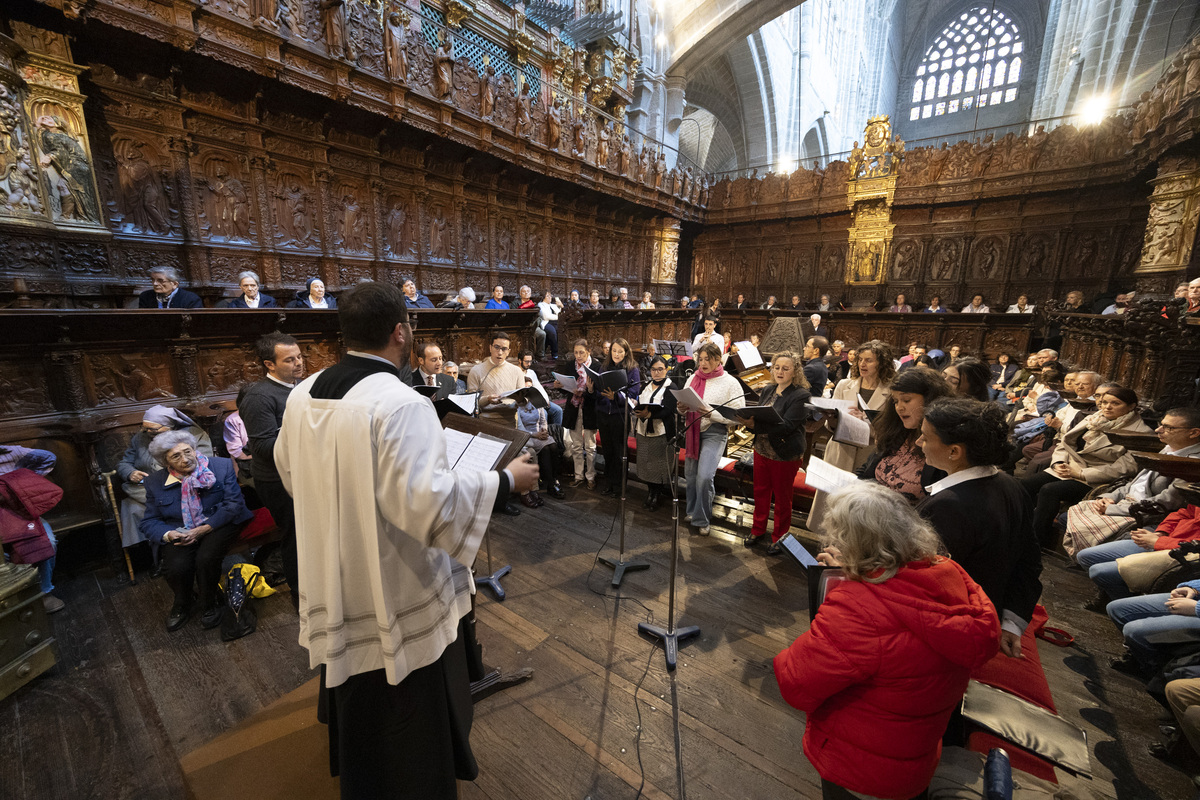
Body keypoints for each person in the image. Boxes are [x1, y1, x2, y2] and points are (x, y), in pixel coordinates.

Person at [273, 282, 538, 798]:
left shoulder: (304, 394)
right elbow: (430, 506)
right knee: (403, 712)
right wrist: (505, 481)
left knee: (357, 691)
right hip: (390, 579)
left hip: (334, 565)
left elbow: (289, 471)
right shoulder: (400, 402)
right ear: (401, 331)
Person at [774, 483, 1000, 800]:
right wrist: (855, 570)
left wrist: (842, 589)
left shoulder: (857, 609)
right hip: (914, 756)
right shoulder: (949, 572)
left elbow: (794, 682)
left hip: (860, 768)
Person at [916, 398, 1043, 658]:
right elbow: (1029, 564)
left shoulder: (949, 506)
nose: (919, 443)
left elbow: (923, 583)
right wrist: (1011, 623)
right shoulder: (1011, 485)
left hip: (950, 628)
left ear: (954, 452)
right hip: (987, 612)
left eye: (926, 438)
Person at [141, 431, 252, 631]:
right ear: (165, 462)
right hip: (181, 529)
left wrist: (202, 530)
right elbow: (150, 520)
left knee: (206, 558)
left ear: (194, 449)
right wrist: (170, 534)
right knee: (175, 565)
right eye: (176, 456)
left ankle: (210, 603)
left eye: (187, 451)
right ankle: (182, 602)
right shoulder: (155, 482)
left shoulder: (220, 466)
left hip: (220, 521)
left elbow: (233, 504)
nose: (185, 459)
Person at [1021, 386, 1153, 548]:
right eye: (1104, 402)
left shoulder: (1141, 433)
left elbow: (1126, 467)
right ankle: (1020, 527)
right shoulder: (1093, 418)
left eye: (1115, 403)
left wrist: (1082, 473)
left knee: (1050, 490)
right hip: (1069, 469)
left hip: (1097, 479)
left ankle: (1037, 541)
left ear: (1131, 406)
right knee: (1024, 485)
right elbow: (1065, 444)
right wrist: (1058, 463)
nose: (1106, 407)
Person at [1067, 407, 1200, 564]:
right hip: (1127, 502)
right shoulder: (1168, 447)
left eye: (1169, 427)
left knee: (1084, 531)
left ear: (1194, 433)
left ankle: (1087, 561)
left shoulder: (1193, 463)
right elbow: (1134, 482)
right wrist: (1109, 498)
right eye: (1161, 424)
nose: (1158, 430)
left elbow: (1166, 501)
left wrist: (1112, 509)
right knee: (1075, 510)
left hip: (1144, 511)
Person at [237, 332, 304, 607]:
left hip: (302, 473)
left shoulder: (300, 387)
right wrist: (306, 433)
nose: (298, 363)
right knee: (295, 537)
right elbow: (263, 447)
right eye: (289, 360)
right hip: (276, 480)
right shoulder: (259, 397)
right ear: (269, 364)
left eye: (299, 356)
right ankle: (301, 596)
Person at [116, 405, 214, 569]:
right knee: (132, 508)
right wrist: (130, 473)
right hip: (144, 489)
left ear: (171, 425)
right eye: (144, 428)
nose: (146, 432)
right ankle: (151, 559)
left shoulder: (194, 435)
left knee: (165, 512)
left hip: (183, 487)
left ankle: (175, 551)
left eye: (153, 429)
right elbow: (124, 463)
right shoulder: (140, 438)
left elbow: (204, 464)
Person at [739, 352, 811, 554]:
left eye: (785, 368)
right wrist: (748, 421)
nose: (780, 371)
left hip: (784, 453)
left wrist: (755, 423)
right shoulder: (769, 389)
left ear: (795, 371)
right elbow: (762, 414)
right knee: (760, 492)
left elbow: (787, 426)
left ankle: (780, 537)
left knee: (782, 498)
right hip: (761, 449)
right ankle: (758, 529)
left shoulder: (801, 395)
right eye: (777, 367)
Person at [857, 367, 953, 506]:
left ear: (930, 400)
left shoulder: (943, 445)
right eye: (896, 401)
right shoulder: (897, 431)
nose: (899, 408)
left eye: (906, 400)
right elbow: (868, 467)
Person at [676, 342, 744, 536]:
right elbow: (683, 403)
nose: (703, 363)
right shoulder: (693, 378)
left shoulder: (730, 382)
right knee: (690, 475)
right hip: (692, 429)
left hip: (715, 430)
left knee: (705, 476)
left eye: (708, 359)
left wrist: (711, 415)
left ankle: (702, 518)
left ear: (718, 360)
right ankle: (692, 511)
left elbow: (738, 416)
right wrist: (680, 408)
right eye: (701, 359)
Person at [0, 445, 64, 612]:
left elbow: (48, 457)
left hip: (19, 512)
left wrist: (23, 478)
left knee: (47, 540)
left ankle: (44, 591)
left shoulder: (9, 454)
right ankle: (14, 595)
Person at [594, 338, 640, 496]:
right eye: (614, 351)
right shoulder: (604, 367)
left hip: (619, 415)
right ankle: (609, 484)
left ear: (626, 352)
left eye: (620, 351)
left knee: (619, 453)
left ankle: (620, 487)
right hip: (603, 414)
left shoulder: (632, 369)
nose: (617, 354)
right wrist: (591, 388)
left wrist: (617, 397)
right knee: (607, 452)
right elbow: (598, 390)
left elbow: (634, 395)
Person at [633, 355, 677, 511]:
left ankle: (656, 495)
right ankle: (650, 492)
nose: (657, 372)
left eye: (660, 369)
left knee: (658, 466)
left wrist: (651, 415)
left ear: (666, 370)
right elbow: (639, 401)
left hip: (661, 432)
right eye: (654, 369)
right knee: (646, 464)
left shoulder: (671, 387)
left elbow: (669, 410)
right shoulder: (645, 385)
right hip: (643, 431)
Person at [557, 339, 599, 489]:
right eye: (576, 353)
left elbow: (598, 394)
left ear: (588, 351)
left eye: (581, 352)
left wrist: (588, 391)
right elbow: (566, 387)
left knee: (590, 446)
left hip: (589, 409)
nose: (578, 356)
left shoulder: (596, 367)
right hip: (573, 408)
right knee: (576, 445)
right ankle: (578, 475)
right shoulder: (570, 366)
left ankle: (591, 476)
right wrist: (560, 386)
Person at [514, 383, 563, 503]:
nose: (526, 394)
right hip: (528, 436)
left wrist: (544, 430)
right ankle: (551, 484)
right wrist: (534, 434)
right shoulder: (515, 407)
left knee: (553, 446)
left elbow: (542, 420)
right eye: (523, 391)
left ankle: (554, 478)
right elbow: (520, 428)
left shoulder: (536, 403)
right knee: (546, 449)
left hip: (539, 433)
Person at [467, 330, 526, 427]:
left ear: (508, 352)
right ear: (490, 348)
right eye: (496, 347)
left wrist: (520, 400)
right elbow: (470, 401)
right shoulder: (476, 370)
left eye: (504, 349)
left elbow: (523, 403)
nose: (500, 352)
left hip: (510, 420)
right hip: (485, 421)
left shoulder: (516, 371)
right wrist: (487, 399)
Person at [518, 350, 562, 426]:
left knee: (558, 410)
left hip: (538, 400)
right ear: (520, 360)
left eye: (530, 361)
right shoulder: (516, 372)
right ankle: (543, 434)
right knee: (544, 414)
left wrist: (546, 399)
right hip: (527, 403)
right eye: (526, 362)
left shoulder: (531, 372)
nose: (529, 364)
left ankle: (556, 434)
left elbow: (538, 387)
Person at [137, 266, 203, 309]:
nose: (155, 283)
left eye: (160, 280)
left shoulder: (191, 298)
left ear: (174, 284)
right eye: (153, 280)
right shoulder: (145, 296)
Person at [535, 290, 561, 360]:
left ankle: (561, 352)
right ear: (543, 297)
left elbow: (561, 313)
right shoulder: (541, 305)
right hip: (547, 322)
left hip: (556, 322)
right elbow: (546, 316)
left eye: (550, 295)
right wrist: (558, 317)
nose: (550, 297)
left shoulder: (553, 305)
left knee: (562, 331)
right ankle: (554, 353)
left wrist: (560, 305)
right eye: (547, 296)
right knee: (552, 333)